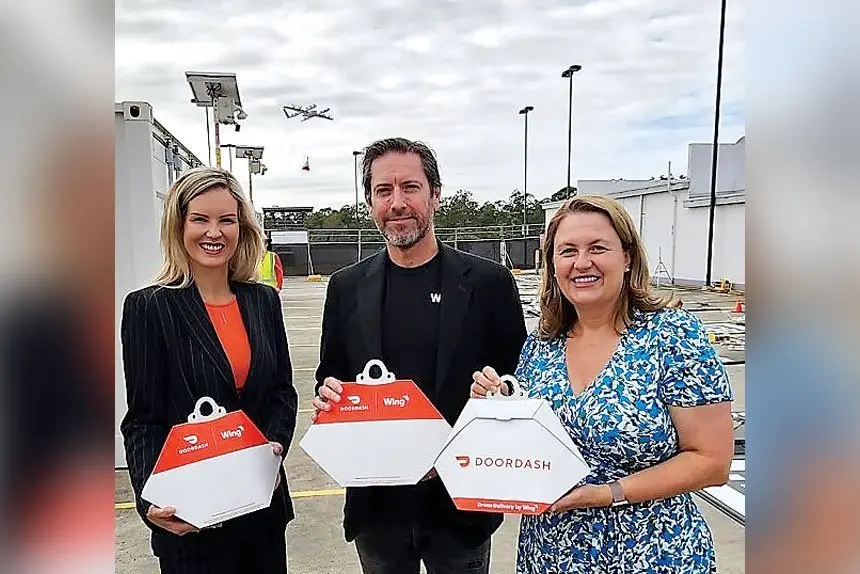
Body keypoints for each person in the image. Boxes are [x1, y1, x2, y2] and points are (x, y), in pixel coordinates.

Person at [471, 195, 734, 573]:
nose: (582, 263)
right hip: (550, 554)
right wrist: (493, 407)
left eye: (598, 248)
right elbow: (525, 449)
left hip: (652, 553)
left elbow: (712, 461)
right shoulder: (540, 348)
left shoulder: (674, 337)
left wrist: (608, 495)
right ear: (553, 265)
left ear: (627, 257)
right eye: (568, 251)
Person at [312, 137, 527, 574]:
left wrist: (498, 391)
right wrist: (328, 394)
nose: (397, 203)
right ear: (370, 201)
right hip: (378, 507)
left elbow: (519, 381)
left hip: (459, 504)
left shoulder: (488, 283)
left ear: (435, 195)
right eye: (382, 191)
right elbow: (330, 374)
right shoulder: (346, 287)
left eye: (409, 187)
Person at [119, 167, 298, 573]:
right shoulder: (149, 308)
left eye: (226, 220)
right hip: (191, 517)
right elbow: (143, 420)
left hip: (261, 511)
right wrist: (151, 502)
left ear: (242, 227)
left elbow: (282, 395)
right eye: (200, 219)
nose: (213, 232)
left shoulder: (263, 301)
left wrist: (270, 451)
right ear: (178, 226)